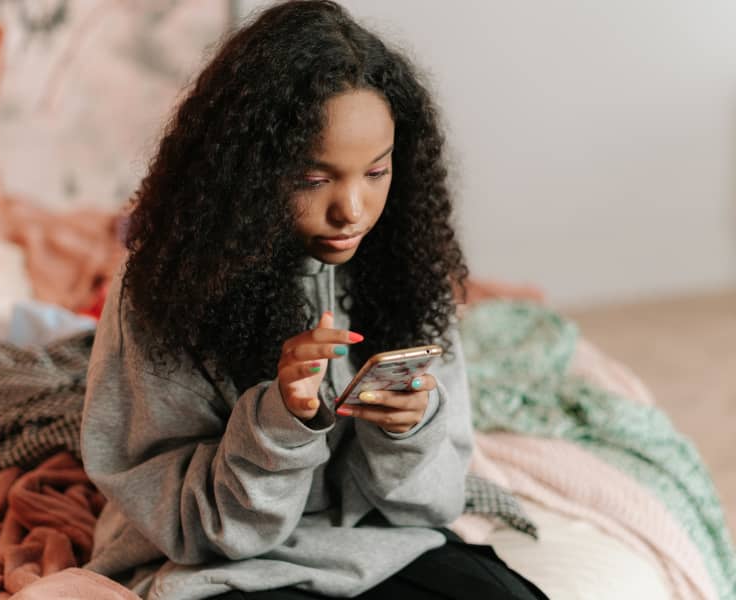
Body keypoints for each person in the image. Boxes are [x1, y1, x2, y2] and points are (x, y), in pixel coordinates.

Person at [80, 1, 548, 598]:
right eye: (313, 179)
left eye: (375, 173)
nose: (352, 210)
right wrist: (280, 423)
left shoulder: (408, 263)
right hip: (220, 564)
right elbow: (195, 530)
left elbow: (432, 503)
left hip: (381, 545)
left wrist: (408, 432)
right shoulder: (160, 288)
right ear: (244, 171)